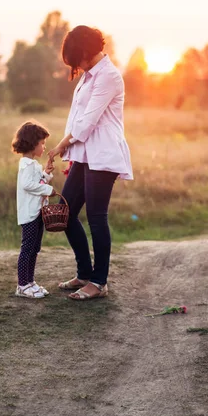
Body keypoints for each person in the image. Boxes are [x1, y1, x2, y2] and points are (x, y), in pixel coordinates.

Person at [48, 25, 133, 301]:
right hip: (84, 154)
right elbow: (77, 118)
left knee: (97, 217)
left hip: (104, 154)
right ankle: (84, 272)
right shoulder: (89, 75)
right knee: (65, 212)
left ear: (85, 51)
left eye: (75, 57)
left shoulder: (108, 76)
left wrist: (62, 145)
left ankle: (99, 281)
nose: (74, 65)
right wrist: (73, 155)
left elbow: (88, 121)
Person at [12, 121, 56, 298]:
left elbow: (38, 183)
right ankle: (22, 285)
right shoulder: (26, 165)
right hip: (29, 214)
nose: (44, 147)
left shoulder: (34, 165)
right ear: (32, 144)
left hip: (37, 213)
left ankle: (30, 281)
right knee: (27, 248)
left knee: (35, 248)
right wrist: (48, 190)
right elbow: (27, 184)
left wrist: (46, 174)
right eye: (42, 143)